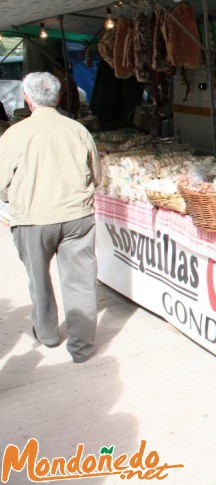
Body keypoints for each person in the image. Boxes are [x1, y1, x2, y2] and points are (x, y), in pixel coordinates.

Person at [0, 72, 102, 363]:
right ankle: (81, 348)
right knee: (80, 282)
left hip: (33, 219)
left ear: (27, 99)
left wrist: (11, 196)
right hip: (76, 218)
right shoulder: (78, 130)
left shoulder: (14, 134)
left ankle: (47, 335)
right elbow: (97, 176)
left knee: (38, 279)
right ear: (58, 98)